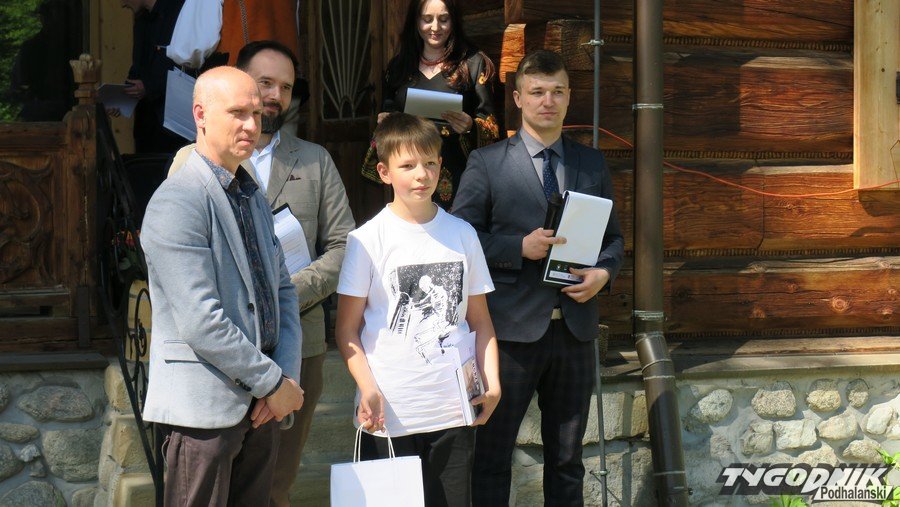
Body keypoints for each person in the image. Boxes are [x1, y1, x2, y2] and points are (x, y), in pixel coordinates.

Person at [164, 40, 356, 506]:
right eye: (264, 83)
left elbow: (344, 246)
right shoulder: (193, 163)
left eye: (285, 87)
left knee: (273, 486)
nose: (274, 96)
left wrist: (285, 292)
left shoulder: (315, 160)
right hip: (217, 353)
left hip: (297, 345)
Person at [452, 50, 625, 506]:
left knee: (568, 459)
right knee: (492, 456)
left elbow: (613, 238)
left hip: (575, 331)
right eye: (537, 92)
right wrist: (517, 248)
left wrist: (604, 273)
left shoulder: (591, 163)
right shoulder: (486, 163)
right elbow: (459, 238)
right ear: (518, 99)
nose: (547, 101)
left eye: (557, 92)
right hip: (508, 334)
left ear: (568, 98)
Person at [140, 66, 304, 505]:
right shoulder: (177, 200)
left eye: (256, 114)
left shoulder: (251, 195)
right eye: (237, 113)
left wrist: (285, 377)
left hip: (261, 409)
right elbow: (201, 321)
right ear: (200, 114)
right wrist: (273, 383)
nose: (251, 125)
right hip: (204, 417)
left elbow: (282, 292)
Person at [336, 113, 502, 506]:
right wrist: (368, 387)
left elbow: (480, 322)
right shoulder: (366, 240)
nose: (421, 175)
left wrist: (492, 383)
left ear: (441, 166)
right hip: (389, 413)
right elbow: (346, 331)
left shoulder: (462, 234)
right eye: (407, 165)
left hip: (454, 409)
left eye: (429, 163)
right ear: (384, 172)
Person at [362, 0, 501, 209]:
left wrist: (470, 126)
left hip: (459, 174)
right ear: (416, 21)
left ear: (454, 21)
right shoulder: (399, 66)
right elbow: (389, 113)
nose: (435, 27)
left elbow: (491, 126)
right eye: (427, 19)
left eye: (444, 19)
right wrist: (387, 121)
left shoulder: (474, 63)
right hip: (410, 175)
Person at [121, 0, 187, 154]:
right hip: (146, 125)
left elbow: (187, 64)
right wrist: (122, 96)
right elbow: (138, 68)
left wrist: (149, 86)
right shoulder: (141, 21)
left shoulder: (180, 12)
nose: (122, 4)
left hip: (176, 126)